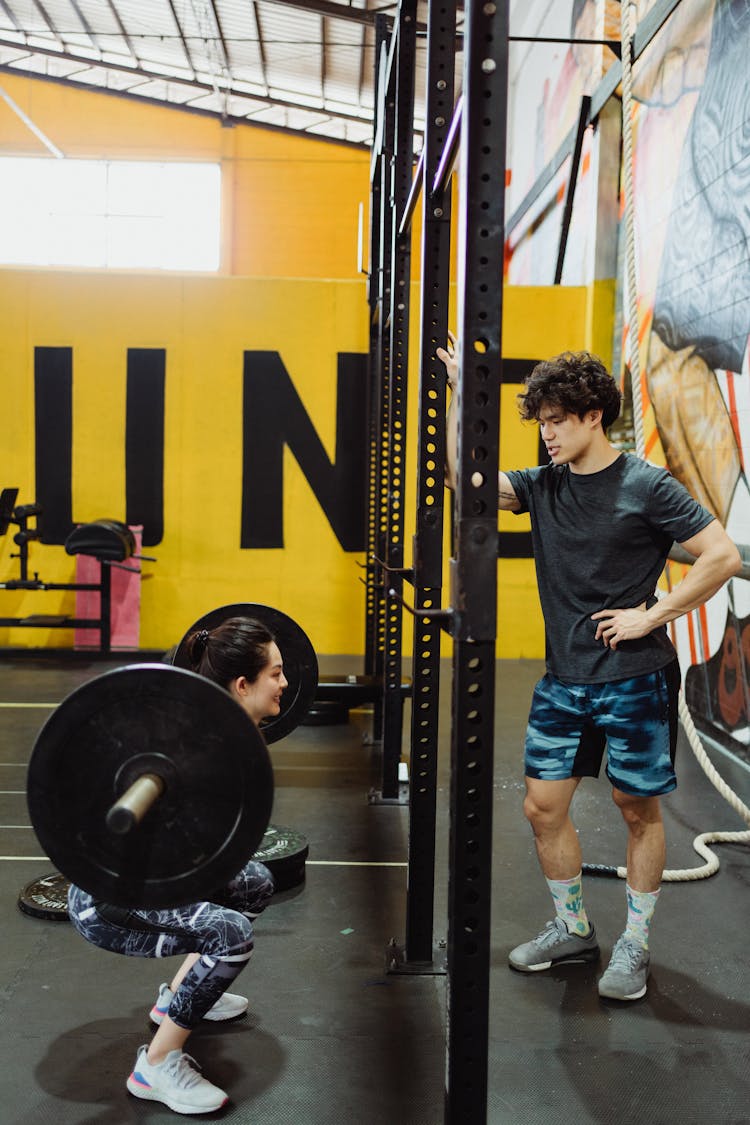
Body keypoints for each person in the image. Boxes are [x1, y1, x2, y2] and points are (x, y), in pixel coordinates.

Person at [438, 340, 741, 1001]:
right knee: (542, 807)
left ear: (594, 415)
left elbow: (718, 554)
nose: (546, 433)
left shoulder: (645, 484)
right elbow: (470, 483)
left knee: (637, 811)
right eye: (541, 420)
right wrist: (464, 391)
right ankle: (573, 926)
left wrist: (652, 615)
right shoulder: (543, 487)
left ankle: (634, 944)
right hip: (565, 678)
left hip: (634, 676)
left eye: (557, 419)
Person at [67, 616, 289, 1113]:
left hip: (153, 875)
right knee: (230, 935)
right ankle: (156, 1066)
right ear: (241, 685)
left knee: (255, 883)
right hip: (108, 898)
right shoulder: (193, 744)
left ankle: (178, 999)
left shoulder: (229, 738)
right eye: (274, 674)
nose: (284, 683)